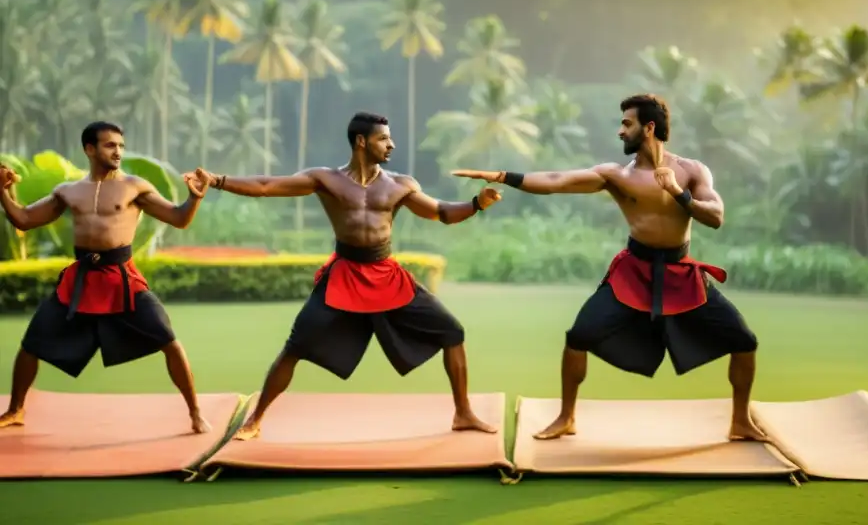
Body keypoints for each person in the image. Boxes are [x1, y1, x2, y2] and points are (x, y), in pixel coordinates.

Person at [453, 93, 766, 442]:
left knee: (743, 340)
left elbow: (716, 217)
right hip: (633, 272)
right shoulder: (615, 175)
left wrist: (678, 192)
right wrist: (500, 175)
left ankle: (740, 421)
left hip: (681, 273)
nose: (619, 131)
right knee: (578, 337)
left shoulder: (691, 171)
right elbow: (557, 181)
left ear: (649, 128)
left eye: (626, 124)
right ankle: (566, 417)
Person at [193, 111, 502, 440]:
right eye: (383, 138)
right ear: (361, 141)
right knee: (296, 346)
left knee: (452, 331)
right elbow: (268, 186)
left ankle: (463, 413)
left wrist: (477, 203)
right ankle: (255, 420)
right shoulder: (326, 180)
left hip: (386, 275)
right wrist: (217, 180)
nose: (391, 144)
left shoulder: (400, 185)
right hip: (342, 276)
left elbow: (440, 212)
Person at [0, 121, 212, 433]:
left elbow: (178, 219)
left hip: (123, 280)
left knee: (169, 340)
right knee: (31, 343)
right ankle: (15, 410)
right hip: (80, 280)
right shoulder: (68, 191)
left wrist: (194, 198)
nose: (118, 152)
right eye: (110, 145)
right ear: (89, 149)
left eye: (121, 146)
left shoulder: (134, 187)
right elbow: (24, 218)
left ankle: (195, 413)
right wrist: (3, 193)